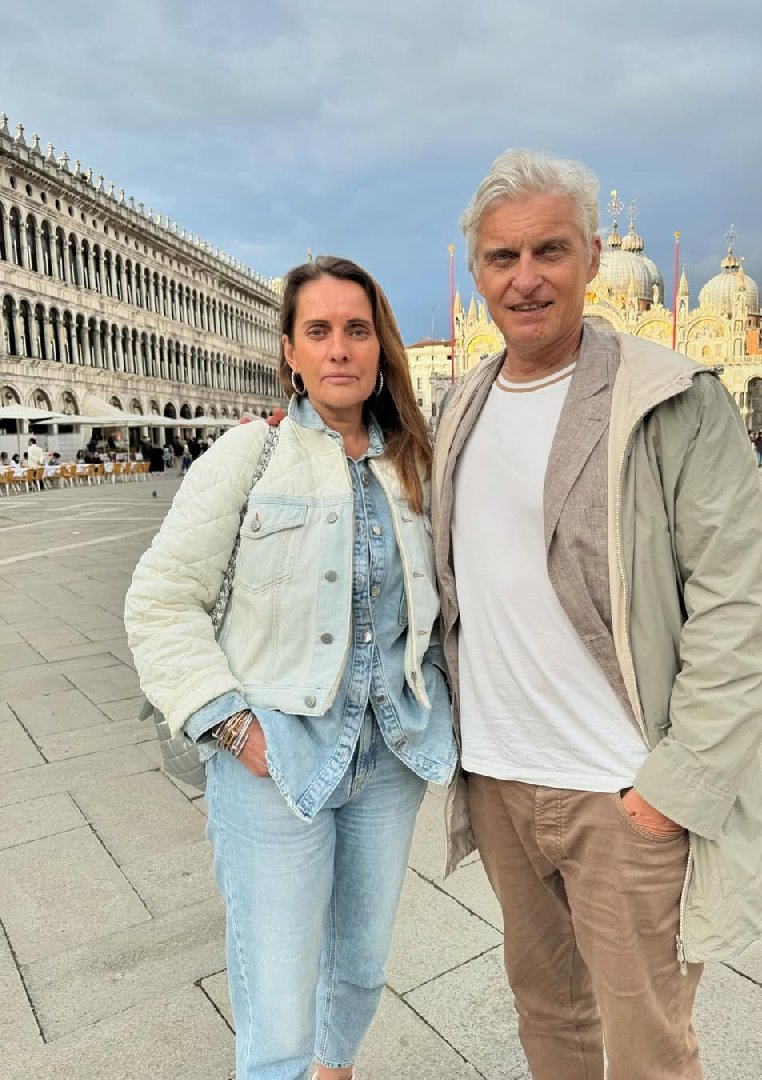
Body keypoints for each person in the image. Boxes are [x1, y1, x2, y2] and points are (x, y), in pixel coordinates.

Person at [431, 149, 762, 1080]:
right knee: (548, 1016)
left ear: (592, 258)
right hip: (501, 780)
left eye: (549, 250)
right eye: (503, 257)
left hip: (622, 790)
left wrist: (673, 790)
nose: (526, 277)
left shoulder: (674, 400)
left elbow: (739, 615)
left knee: (648, 1048)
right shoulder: (461, 408)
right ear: (479, 276)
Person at [125, 255, 455, 1080]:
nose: (340, 347)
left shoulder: (415, 464)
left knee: (360, 968)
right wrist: (232, 726)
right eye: (320, 330)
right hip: (275, 759)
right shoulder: (250, 455)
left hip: (389, 757)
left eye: (357, 329)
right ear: (291, 351)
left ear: (379, 346)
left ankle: (335, 1073)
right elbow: (161, 601)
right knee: (276, 1003)